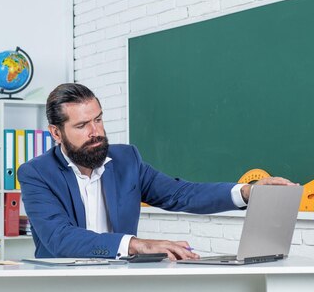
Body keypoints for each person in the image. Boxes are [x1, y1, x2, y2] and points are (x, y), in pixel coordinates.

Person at [18, 83, 296, 260]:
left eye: (98, 119)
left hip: (121, 281)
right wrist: (136, 245)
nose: (96, 132)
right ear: (56, 133)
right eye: (82, 126)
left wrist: (247, 192)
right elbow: (60, 238)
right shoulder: (36, 174)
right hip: (63, 285)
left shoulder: (126, 159)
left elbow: (180, 193)